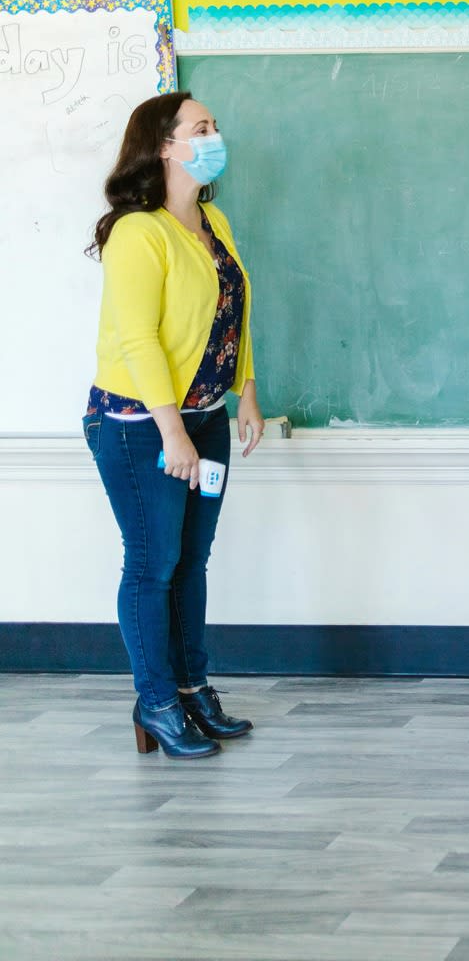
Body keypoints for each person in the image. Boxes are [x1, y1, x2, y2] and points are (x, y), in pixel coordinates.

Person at [84, 92, 265, 759]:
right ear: (164, 145)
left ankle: (192, 690)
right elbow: (137, 340)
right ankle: (155, 702)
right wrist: (172, 432)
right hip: (140, 426)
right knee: (154, 563)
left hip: (205, 417)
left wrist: (246, 393)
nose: (214, 134)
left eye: (215, 124)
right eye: (200, 127)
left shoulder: (212, 220)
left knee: (191, 561)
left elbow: (234, 314)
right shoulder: (138, 231)